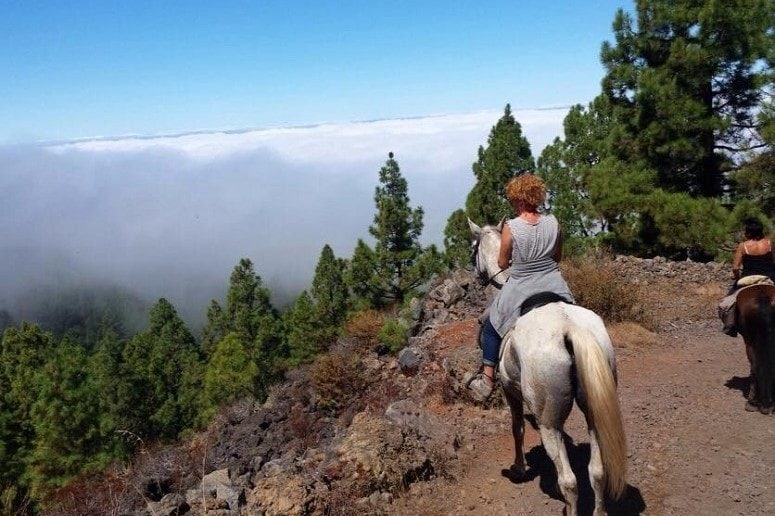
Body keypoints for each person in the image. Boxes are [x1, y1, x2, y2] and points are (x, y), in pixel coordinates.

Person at [467, 174, 575, 401]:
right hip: (554, 282)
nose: (512, 203)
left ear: (522, 199)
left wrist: (521, 260)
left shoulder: (511, 227)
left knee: (491, 324)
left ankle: (486, 378)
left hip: (521, 284)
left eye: (514, 199)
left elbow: (502, 263)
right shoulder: (554, 222)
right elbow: (557, 257)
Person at [719, 218, 775, 336]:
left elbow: (735, 267)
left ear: (748, 233)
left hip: (748, 278)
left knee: (728, 302)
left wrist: (737, 278)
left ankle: (730, 325)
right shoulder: (769, 244)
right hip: (769, 277)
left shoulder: (743, 246)